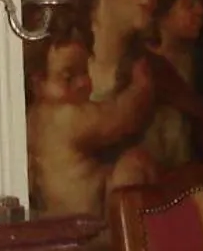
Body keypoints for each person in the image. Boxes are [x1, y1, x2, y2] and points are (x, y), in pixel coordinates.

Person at [25, 37, 156, 217]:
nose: (82, 84)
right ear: (38, 84)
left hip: (63, 223)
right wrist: (141, 85)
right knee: (134, 162)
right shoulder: (62, 117)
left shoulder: (31, 119)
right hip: (82, 227)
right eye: (68, 77)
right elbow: (123, 116)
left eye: (85, 71)